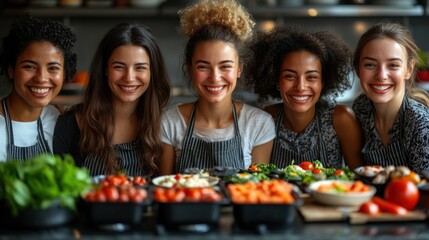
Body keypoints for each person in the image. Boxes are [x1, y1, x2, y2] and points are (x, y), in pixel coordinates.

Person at [159, 0, 276, 175]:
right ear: (190, 69)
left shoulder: (258, 124)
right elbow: (164, 187)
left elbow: (256, 190)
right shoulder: (170, 121)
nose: (215, 77)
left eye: (225, 66)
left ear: (239, 69)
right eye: (203, 66)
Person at [53, 23, 171, 177]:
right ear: (105, 69)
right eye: (119, 67)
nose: (129, 78)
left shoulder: (165, 125)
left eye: (140, 67)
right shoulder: (71, 124)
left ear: (152, 72)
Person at [248, 25, 363, 170]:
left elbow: (359, 179)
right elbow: (258, 181)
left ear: (323, 82)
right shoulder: (265, 118)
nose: (301, 86)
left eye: (311, 77)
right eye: (290, 76)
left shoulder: (341, 119)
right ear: (276, 80)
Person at [352, 22, 429, 173]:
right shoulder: (361, 107)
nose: (381, 75)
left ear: (409, 69)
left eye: (393, 65)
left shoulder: (419, 122)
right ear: (357, 69)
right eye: (370, 65)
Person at [0, 14, 77, 161]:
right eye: (29, 67)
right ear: (11, 69)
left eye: (53, 68)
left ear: (64, 73)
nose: (41, 78)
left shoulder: (60, 121)